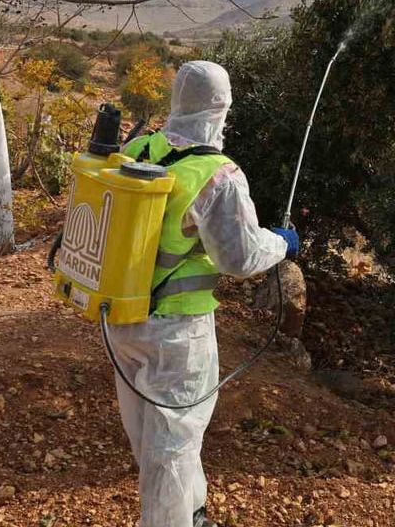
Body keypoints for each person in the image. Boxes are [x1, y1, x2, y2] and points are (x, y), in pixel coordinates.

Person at [108, 61, 299, 527]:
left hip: (121, 322)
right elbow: (240, 258)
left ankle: (193, 514)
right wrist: (282, 243)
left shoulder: (140, 147)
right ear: (220, 109)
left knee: (152, 437)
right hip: (177, 335)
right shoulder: (217, 175)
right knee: (172, 447)